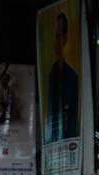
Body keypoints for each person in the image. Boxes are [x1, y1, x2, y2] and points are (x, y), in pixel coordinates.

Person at [46, 12, 78, 143]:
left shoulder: (72, 76)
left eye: (59, 37)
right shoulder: (51, 73)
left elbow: (72, 120)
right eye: (55, 37)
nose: (56, 43)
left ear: (65, 39)